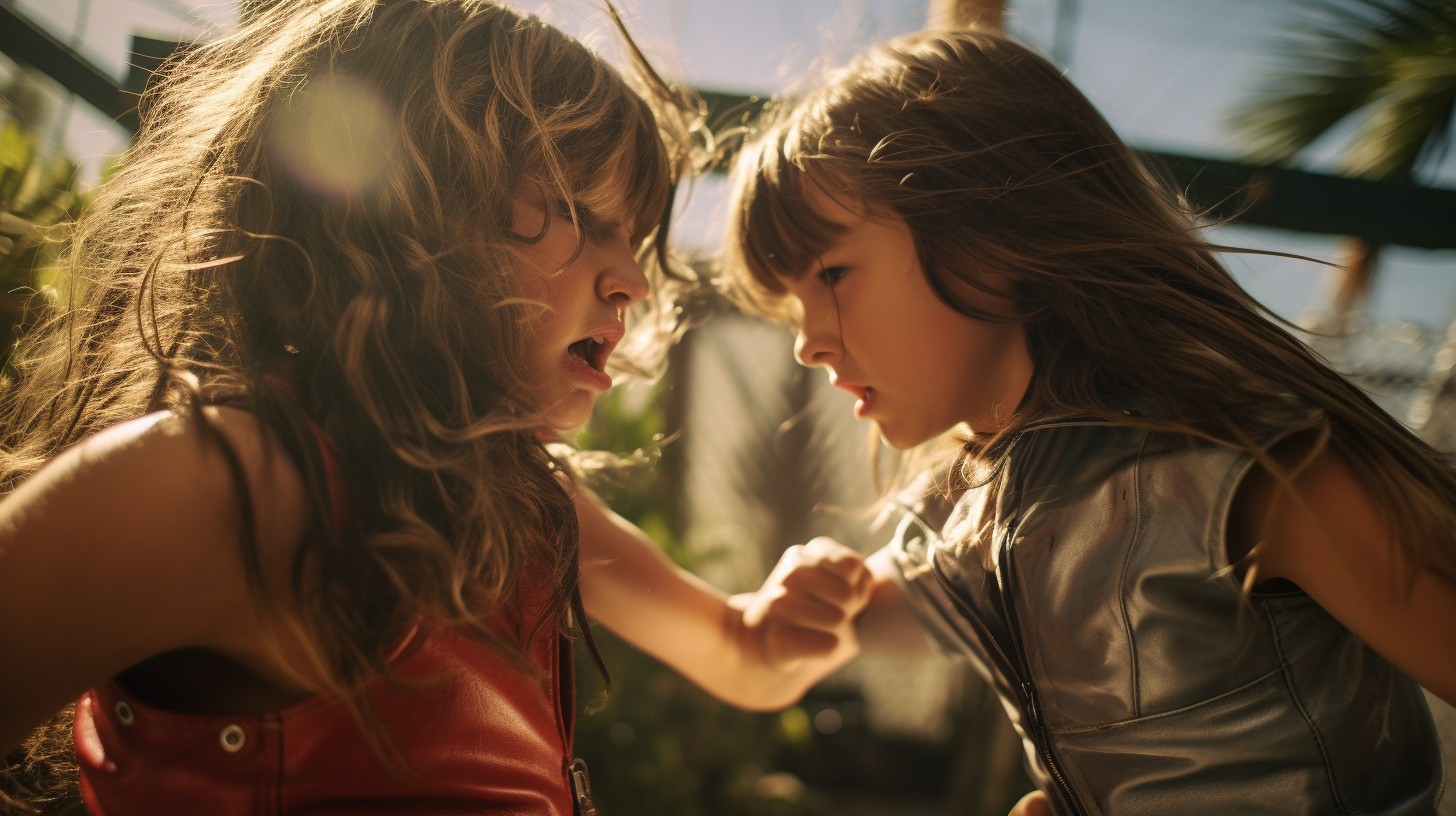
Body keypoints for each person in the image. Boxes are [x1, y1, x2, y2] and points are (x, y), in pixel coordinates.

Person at [0, 2, 871, 814]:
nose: (634, 279)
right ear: (401, 215)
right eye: (576, 214)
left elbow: (740, 654)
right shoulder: (234, 483)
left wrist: (793, 621)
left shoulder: (528, 502)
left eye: (633, 236)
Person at [723, 27, 1456, 816]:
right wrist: (808, 596)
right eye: (790, 304)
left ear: (993, 229)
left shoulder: (1244, 468)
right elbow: (765, 650)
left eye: (831, 273)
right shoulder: (975, 520)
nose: (806, 343)